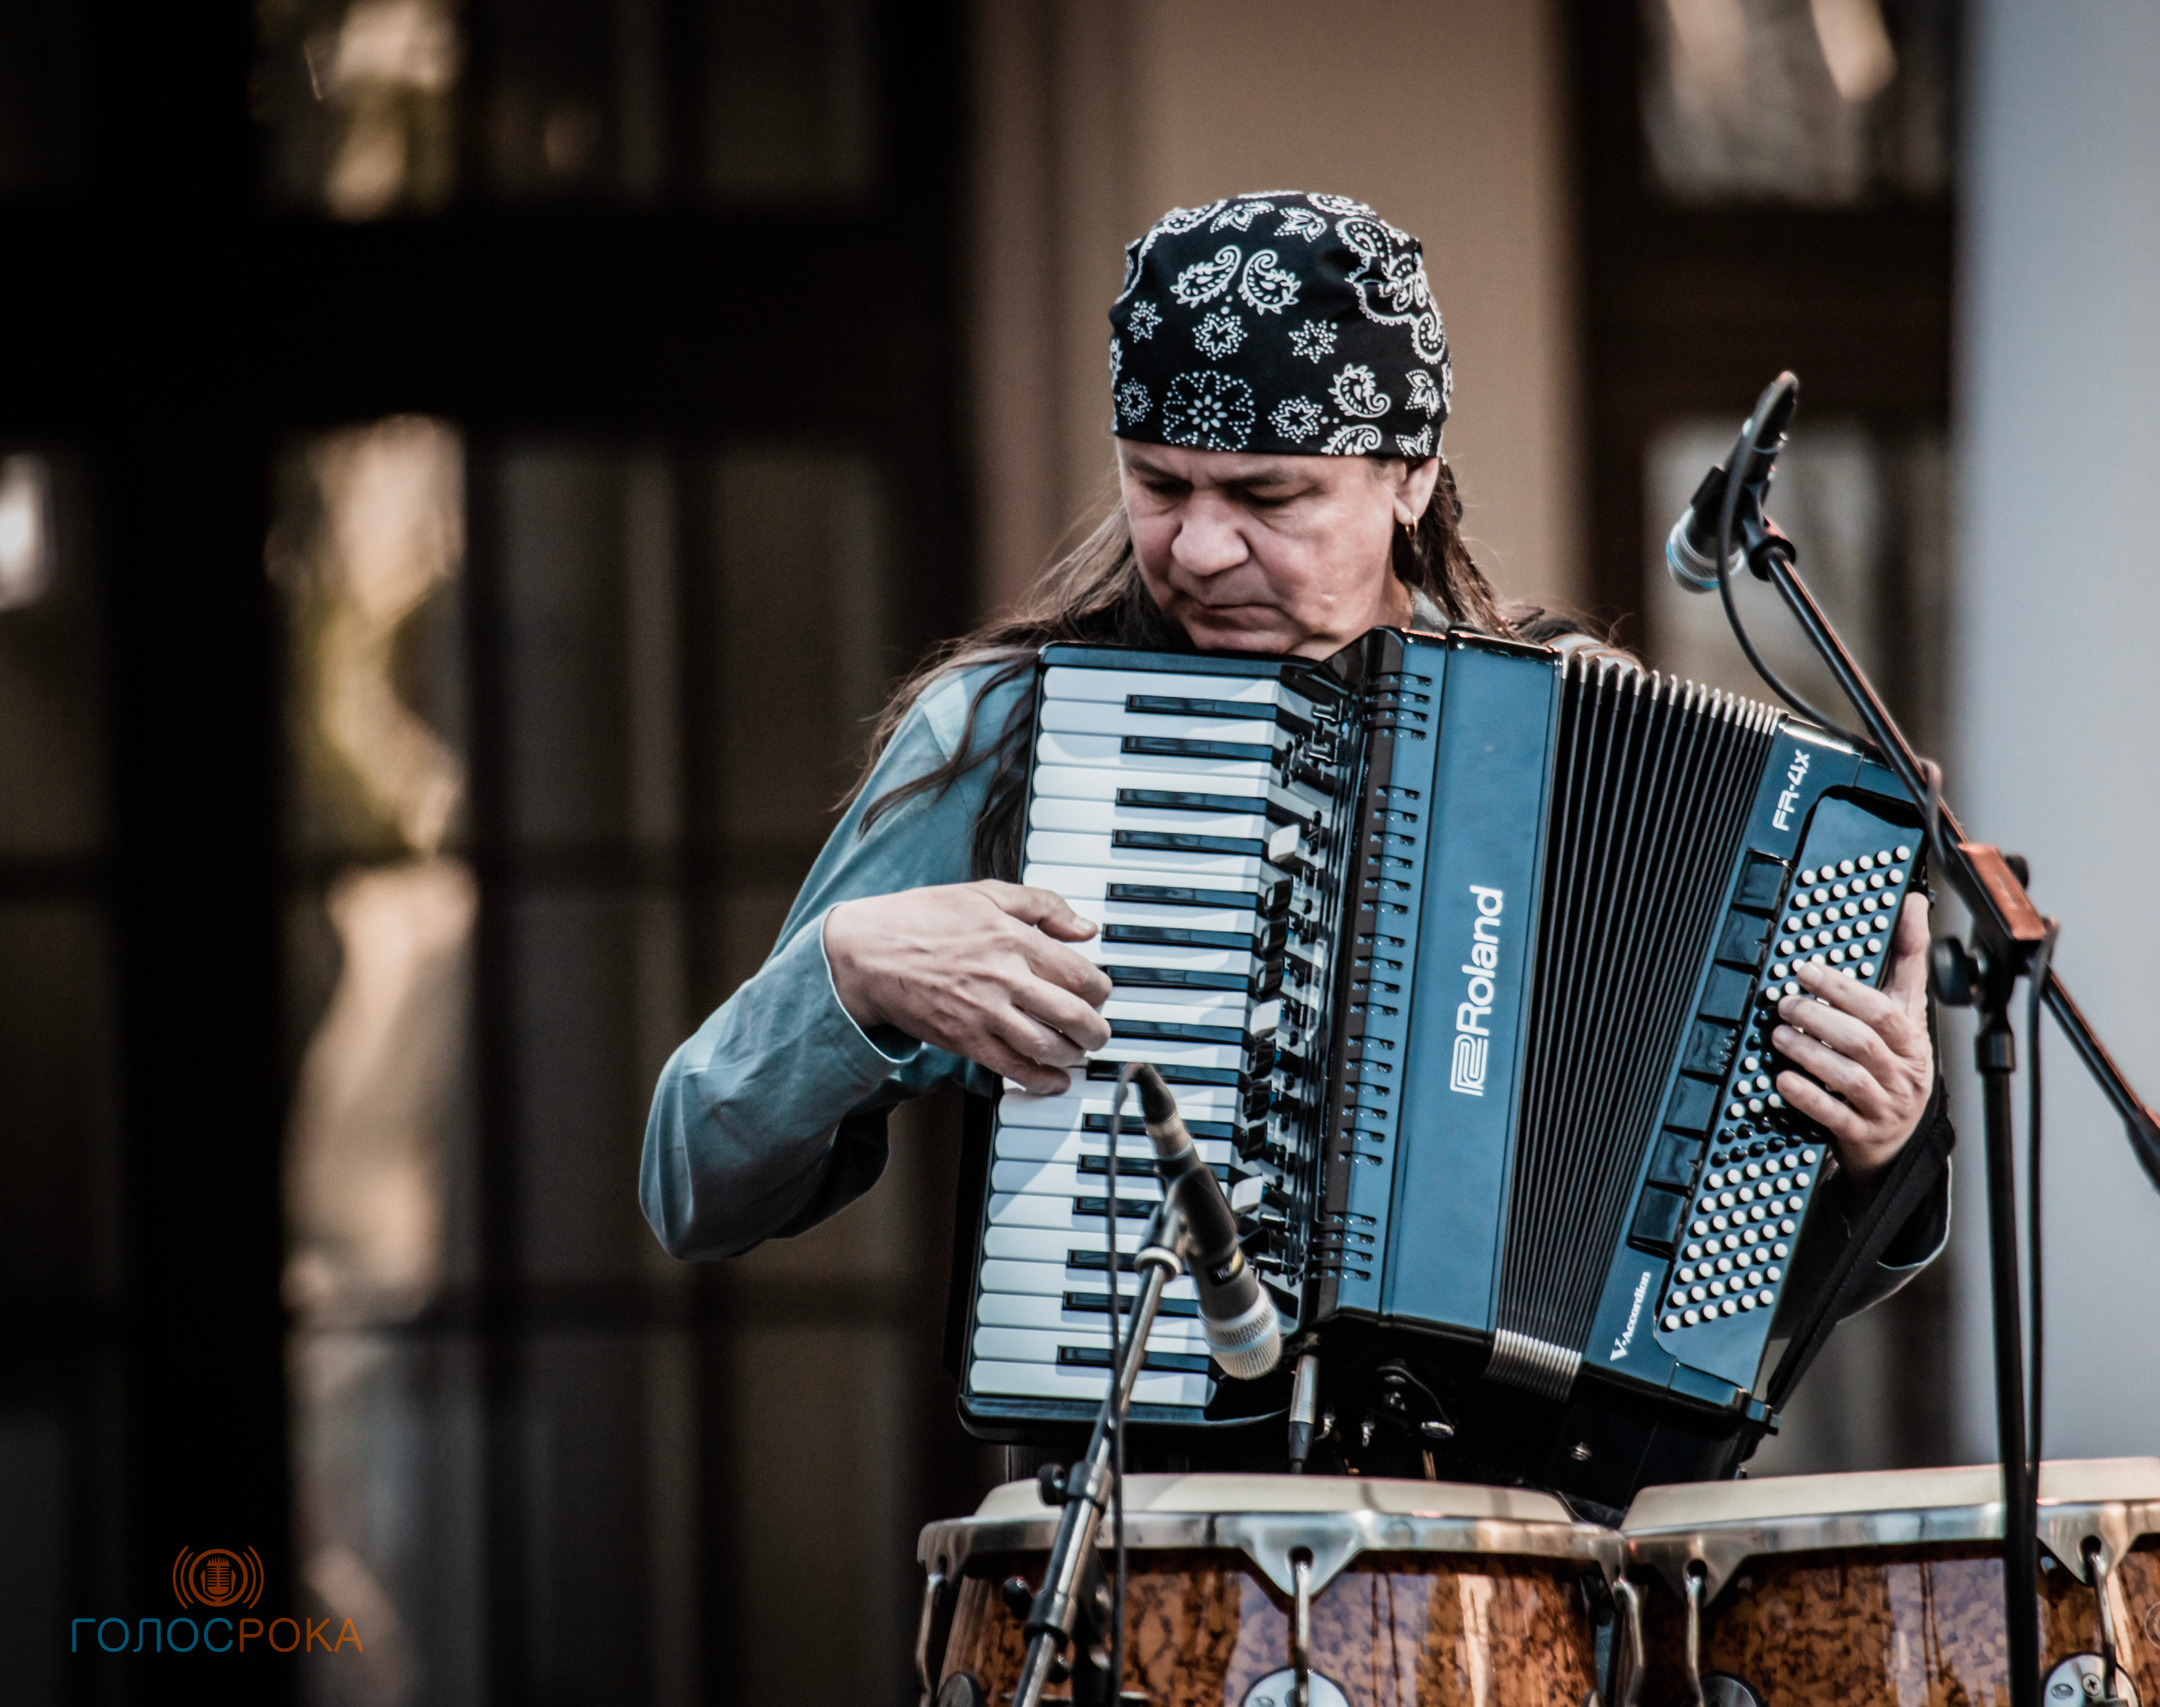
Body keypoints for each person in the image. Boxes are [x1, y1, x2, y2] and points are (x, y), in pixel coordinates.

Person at [639, 190, 1950, 1403]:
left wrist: (1875, 1154)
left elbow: (1737, 1284)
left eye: (1270, 497)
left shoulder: (1577, 725)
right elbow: (693, 1182)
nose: (1199, 549)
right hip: (1153, 1547)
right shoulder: (1006, 735)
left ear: (1411, 477)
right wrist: (844, 975)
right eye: (1159, 487)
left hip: (1515, 1563)